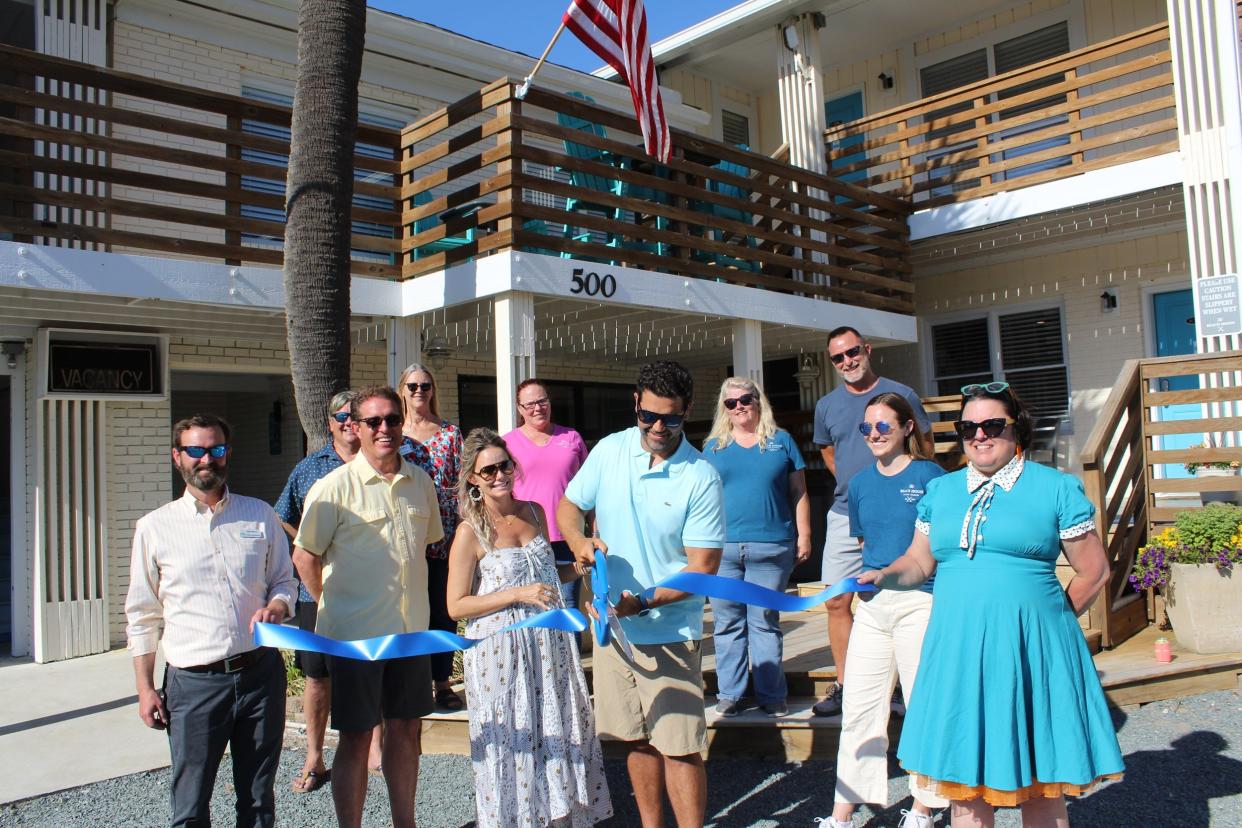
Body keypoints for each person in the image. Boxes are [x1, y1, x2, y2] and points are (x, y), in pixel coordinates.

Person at [859, 382, 1123, 827]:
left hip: (1031, 655)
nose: (979, 435)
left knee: (1041, 785)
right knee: (966, 787)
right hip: (957, 652)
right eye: (968, 427)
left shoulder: (1054, 487)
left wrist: (1050, 624)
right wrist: (885, 575)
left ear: (1015, 428)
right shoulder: (941, 492)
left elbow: (1094, 570)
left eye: (992, 425)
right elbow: (919, 562)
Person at [558, 360, 725, 828]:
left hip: (669, 630)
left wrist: (644, 602)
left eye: (670, 419)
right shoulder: (610, 449)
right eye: (647, 415)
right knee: (633, 738)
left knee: (680, 746)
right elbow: (570, 505)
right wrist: (579, 541)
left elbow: (703, 569)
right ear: (635, 403)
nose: (657, 427)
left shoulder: (701, 476)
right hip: (612, 628)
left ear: (687, 411)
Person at [125, 413, 296, 828]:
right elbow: (143, 615)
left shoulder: (259, 515)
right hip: (195, 686)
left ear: (227, 454)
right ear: (177, 457)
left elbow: (284, 582)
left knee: (257, 800)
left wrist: (276, 607)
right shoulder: (154, 528)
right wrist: (145, 688)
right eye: (196, 450)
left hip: (260, 677)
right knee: (190, 805)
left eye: (216, 450)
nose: (207, 460)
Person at [292, 386, 444, 828]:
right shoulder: (332, 487)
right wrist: (331, 607)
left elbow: (426, 548)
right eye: (373, 421)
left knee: (405, 731)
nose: (384, 429)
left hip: (410, 634)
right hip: (356, 640)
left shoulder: (421, 482)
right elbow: (305, 556)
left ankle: (405, 823)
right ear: (354, 429)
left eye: (392, 420)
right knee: (357, 737)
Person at [446, 428, 612, 828]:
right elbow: (456, 606)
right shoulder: (470, 532)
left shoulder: (535, 510)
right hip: (500, 651)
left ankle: (558, 815)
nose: (500, 475)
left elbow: (546, 577)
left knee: (557, 724)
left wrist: (582, 566)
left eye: (504, 465)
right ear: (472, 478)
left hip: (549, 643)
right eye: (488, 471)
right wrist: (516, 594)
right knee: (515, 738)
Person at [823, 392, 947, 828]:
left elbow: (936, 548)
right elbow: (865, 548)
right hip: (874, 606)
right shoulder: (858, 484)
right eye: (866, 428)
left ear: (907, 428)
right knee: (859, 708)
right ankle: (842, 813)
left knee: (921, 705)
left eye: (882, 426)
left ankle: (924, 807)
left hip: (922, 600)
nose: (873, 435)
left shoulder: (931, 475)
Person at [812, 325, 930, 717]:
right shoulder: (827, 405)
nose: (847, 361)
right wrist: (859, 489)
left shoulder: (902, 395)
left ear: (867, 349)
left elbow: (924, 449)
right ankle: (846, 685)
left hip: (898, 515)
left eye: (852, 352)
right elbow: (830, 453)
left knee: (894, 597)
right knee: (836, 601)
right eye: (838, 357)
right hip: (846, 513)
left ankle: (898, 687)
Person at [274, 390, 384, 790]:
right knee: (318, 677)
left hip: (369, 591)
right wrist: (308, 542)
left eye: (354, 415)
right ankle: (315, 758)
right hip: (313, 593)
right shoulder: (308, 469)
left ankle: (375, 748)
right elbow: (281, 514)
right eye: (340, 415)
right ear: (330, 423)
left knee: (371, 670)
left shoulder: (380, 464)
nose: (348, 422)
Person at [701, 376, 810, 718]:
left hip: (772, 546)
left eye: (745, 399)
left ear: (758, 400)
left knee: (764, 620)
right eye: (730, 403)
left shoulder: (782, 442)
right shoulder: (713, 447)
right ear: (724, 408)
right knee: (727, 623)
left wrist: (804, 534)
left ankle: (771, 694)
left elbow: (800, 493)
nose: (739, 407)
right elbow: (700, 500)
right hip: (723, 549)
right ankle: (730, 695)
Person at [397, 361, 465, 711]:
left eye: (425, 385)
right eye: (413, 386)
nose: (419, 391)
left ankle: (442, 682)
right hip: (406, 538)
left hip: (445, 540)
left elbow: (462, 486)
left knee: (442, 612)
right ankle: (414, 682)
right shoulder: (394, 434)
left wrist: (465, 534)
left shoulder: (450, 433)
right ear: (402, 391)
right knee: (410, 612)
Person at [502, 378, 589, 615]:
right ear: (520, 409)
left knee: (568, 605)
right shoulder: (507, 443)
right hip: (526, 538)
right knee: (531, 606)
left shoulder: (571, 437)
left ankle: (570, 653)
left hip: (567, 536)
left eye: (542, 401)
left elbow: (589, 489)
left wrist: (594, 530)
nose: (537, 408)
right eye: (529, 404)